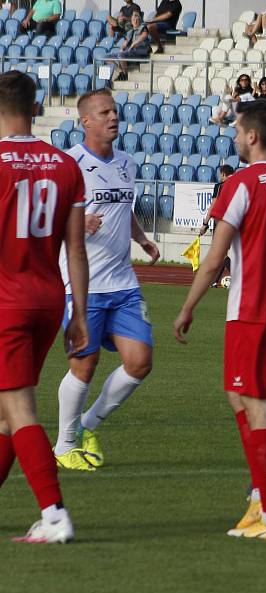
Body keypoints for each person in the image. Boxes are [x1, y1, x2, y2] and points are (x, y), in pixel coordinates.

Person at [173, 100, 266, 541]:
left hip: (252, 309)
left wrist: (188, 306)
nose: (235, 137)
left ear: (253, 135)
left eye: (238, 130)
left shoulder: (241, 184)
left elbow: (214, 257)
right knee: (238, 395)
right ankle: (262, 496)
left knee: (257, 404)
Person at [0, 70, 89, 544]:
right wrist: (79, 314)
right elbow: (75, 248)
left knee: (18, 407)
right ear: (35, 109)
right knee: (4, 413)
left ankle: (54, 514)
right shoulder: (64, 165)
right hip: (48, 300)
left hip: (6, 302)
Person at [52, 89, 159, 472]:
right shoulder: (69, 165)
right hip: (84, 283)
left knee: (140, 361)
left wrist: (142, 237)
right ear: (86, 121)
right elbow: (50, 216)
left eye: (114, 110)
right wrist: (79, 221)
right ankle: (64, 445)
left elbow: (122, 207)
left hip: (123, 282)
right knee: (85, 362)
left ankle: (86, 426)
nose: (113, 116)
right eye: (104, 112)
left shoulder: (127, 163)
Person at [199, 164, 234, 288]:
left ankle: (237, 277)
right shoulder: (239, 184)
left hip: (221, 223)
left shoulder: (220, 186)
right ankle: (214, 281)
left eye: (221, 175)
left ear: (224, 174)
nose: (220, 177)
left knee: (221, 253)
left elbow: (213, 206)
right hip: (236, 222)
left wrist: (205, 224)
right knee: (222, 253)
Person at [109, 11, 151, 82]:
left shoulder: (143, 28)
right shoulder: (130, 32)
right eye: (134, 20)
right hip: (131, 52)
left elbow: (144, 36)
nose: (135, 21)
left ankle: (125, 75)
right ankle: (121, 71)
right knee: (109, 58)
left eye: (137, 19)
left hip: (140, 51)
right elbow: (125, 43)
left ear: (140, 20)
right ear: (131, 22)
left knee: (121, 55)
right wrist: (122, 48)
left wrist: (134, 44)